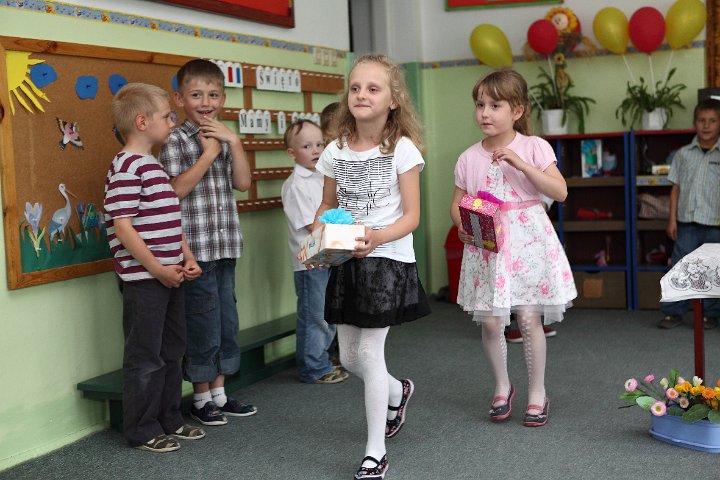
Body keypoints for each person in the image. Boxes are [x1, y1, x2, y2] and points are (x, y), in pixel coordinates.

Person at [310, 54, 431, 480]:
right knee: (348, 357)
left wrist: (377, 237)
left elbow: (412, 217)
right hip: (346, 259)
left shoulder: (402, 149)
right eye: (355, 87)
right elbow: (326, 205)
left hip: (386, 259)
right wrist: (319, 234)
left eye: (373, 88)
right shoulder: (335, 150)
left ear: (393, 100)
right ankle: (398, 391)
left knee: (369, 353)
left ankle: (374, 452)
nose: (362, 95)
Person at [450, 68, 576, 428]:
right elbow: (458, 203)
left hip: (528, 244)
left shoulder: (534, 146)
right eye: (480, 105)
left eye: (495, 105)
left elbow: (560, 192)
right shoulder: (468, 157)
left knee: (529, 318)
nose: (484, 113)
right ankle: (502, 386)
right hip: (488, 245)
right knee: (491, 323)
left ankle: (538, 392)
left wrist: (520, 163)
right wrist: (462, 225)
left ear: (517, 110)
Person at [104, 82, 205, 452]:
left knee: (172, 349)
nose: (172, 123)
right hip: (145, 280)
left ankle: (169, 418)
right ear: (142, 122)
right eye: (167, 116)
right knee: (145, 355)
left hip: (170, 275)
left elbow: (169, 221)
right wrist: (157, 269)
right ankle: (142, 429)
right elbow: (123, 226)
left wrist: (186, 257)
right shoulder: (126, 168)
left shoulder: (154, 166)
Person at [159, 59, 257, 426]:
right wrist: (209, 154)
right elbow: (173, 192)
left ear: (223, 99)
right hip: (194, 251)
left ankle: (220, 394)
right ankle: (201, 398)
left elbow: (243, 184)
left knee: (226, 321)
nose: (205, 102)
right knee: (201, 322)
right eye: (196, 95)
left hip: (225, 246)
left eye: (213, 95)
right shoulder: (173, 140)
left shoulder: (225, 136)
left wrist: (234, 142)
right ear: (179, 99)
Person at [281, 119, 349, 384]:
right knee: (315, 316)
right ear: (292, 153)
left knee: (328, 314)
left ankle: (324, 358)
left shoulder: (323, 177)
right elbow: (314, 225)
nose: (316, 150)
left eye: (320, 144)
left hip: (330, 258)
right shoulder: (295, 185)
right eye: (307, 146)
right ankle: (313, 367)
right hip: (310, 264)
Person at [659, 98, 720, 330]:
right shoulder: (683, 154)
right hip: (686, 223)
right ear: (695, 123)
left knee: (712, 271)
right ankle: (673, 312)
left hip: (714, 223)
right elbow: (675, 188)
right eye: (702, 120)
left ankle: (711, 314)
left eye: (712, 121)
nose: (706, 125)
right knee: (680, 268)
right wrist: (671, 219)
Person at [505, 195, 557, 343]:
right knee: (505, 274)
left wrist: (544, 203)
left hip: (530, 213)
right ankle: (506, 326)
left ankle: (531, 322)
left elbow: (556, 188)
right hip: (502, 212)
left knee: (530, 272)